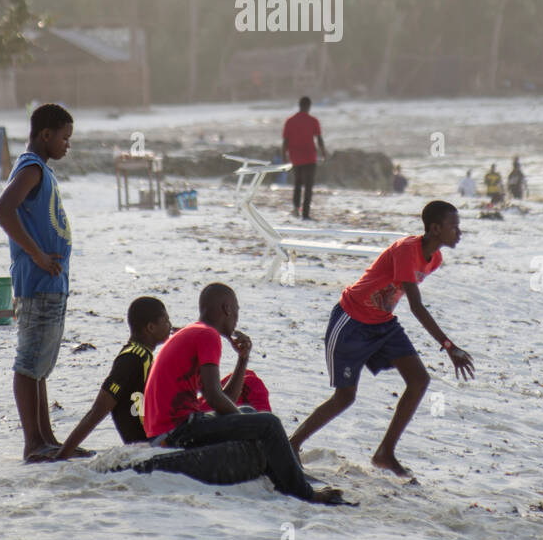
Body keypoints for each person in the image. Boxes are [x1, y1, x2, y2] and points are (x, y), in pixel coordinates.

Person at [289, 201, 474, 478]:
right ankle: (292, 445)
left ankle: (385, 453)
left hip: (382, 324)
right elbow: (416, 307)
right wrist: (449, 346)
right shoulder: (406, 251)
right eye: (454, 227)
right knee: (344, 397)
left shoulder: (434, 259)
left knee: (419, 380)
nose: (459, 232)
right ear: (435, 229)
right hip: (351, 320)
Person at [142, 283, 345, 503]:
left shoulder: (193, 332)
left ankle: (286, 476)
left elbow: (223, 398)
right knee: (268, 423)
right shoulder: (207, 335)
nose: (237, 318)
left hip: (166, 429)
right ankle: (305, 492)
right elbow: (213, 396)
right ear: (227, 308)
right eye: (237, 311)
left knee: (249, 410)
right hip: (176, 430)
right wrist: (247, 423)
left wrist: (242, 359)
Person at [55, 296, 273, 459]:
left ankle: (260, 436)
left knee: (246, 380)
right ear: (151, 327)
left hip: (172, 423)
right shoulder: (132, 359)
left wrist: (241, 359)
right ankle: (264, 441)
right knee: (250, 385)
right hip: (160, 438)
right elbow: (98, 410)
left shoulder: (146, 356)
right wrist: (63, 455)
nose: (170, 325)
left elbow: (212, 394)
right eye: (166, 321)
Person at [0, 102, 75, 463]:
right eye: (65, 138)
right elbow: (2, 210)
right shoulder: (30, 168)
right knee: (29, 364)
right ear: (46, 134)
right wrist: (38, 255)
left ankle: (47, 438)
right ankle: (33, 444)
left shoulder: (40, 169)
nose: (67, 145)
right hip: (38, 282)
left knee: (41, 365)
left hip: (51, 284)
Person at [282, 96, 326, 220]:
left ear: (299, 105)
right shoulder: (313, 121)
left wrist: (284, 155)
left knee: (297, 183)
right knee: (308, 186)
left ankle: (296, 209)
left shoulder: (290, 121)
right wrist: (323, 152)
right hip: (310, 157)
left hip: (295, 157)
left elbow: (285, 140)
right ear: (309, 106)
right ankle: (305, 214)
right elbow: (319, 138)